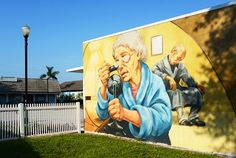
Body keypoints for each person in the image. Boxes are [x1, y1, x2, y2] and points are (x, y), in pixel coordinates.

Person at [96, 31, 172, 143]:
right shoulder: (119, 85)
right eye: (117, 60)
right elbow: (103, 114)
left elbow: (164, 120)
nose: (119, 66)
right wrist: (104, 85)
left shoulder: (155, 82)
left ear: (138, 54)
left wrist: (125, 114)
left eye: (124, 56)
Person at [152, 44, 206, 126]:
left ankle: (193, 117)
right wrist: (168, 78)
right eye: (178, 58)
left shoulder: (180, 66)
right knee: (177, 92)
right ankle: (182, 119)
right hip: (164, 93)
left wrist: (196, 86)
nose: (178, 61)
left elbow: (187, 78)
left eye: (180, 59)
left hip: (177, 92)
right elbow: (154, 71)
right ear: (173, 52)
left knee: (196, 92)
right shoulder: (161, 63)